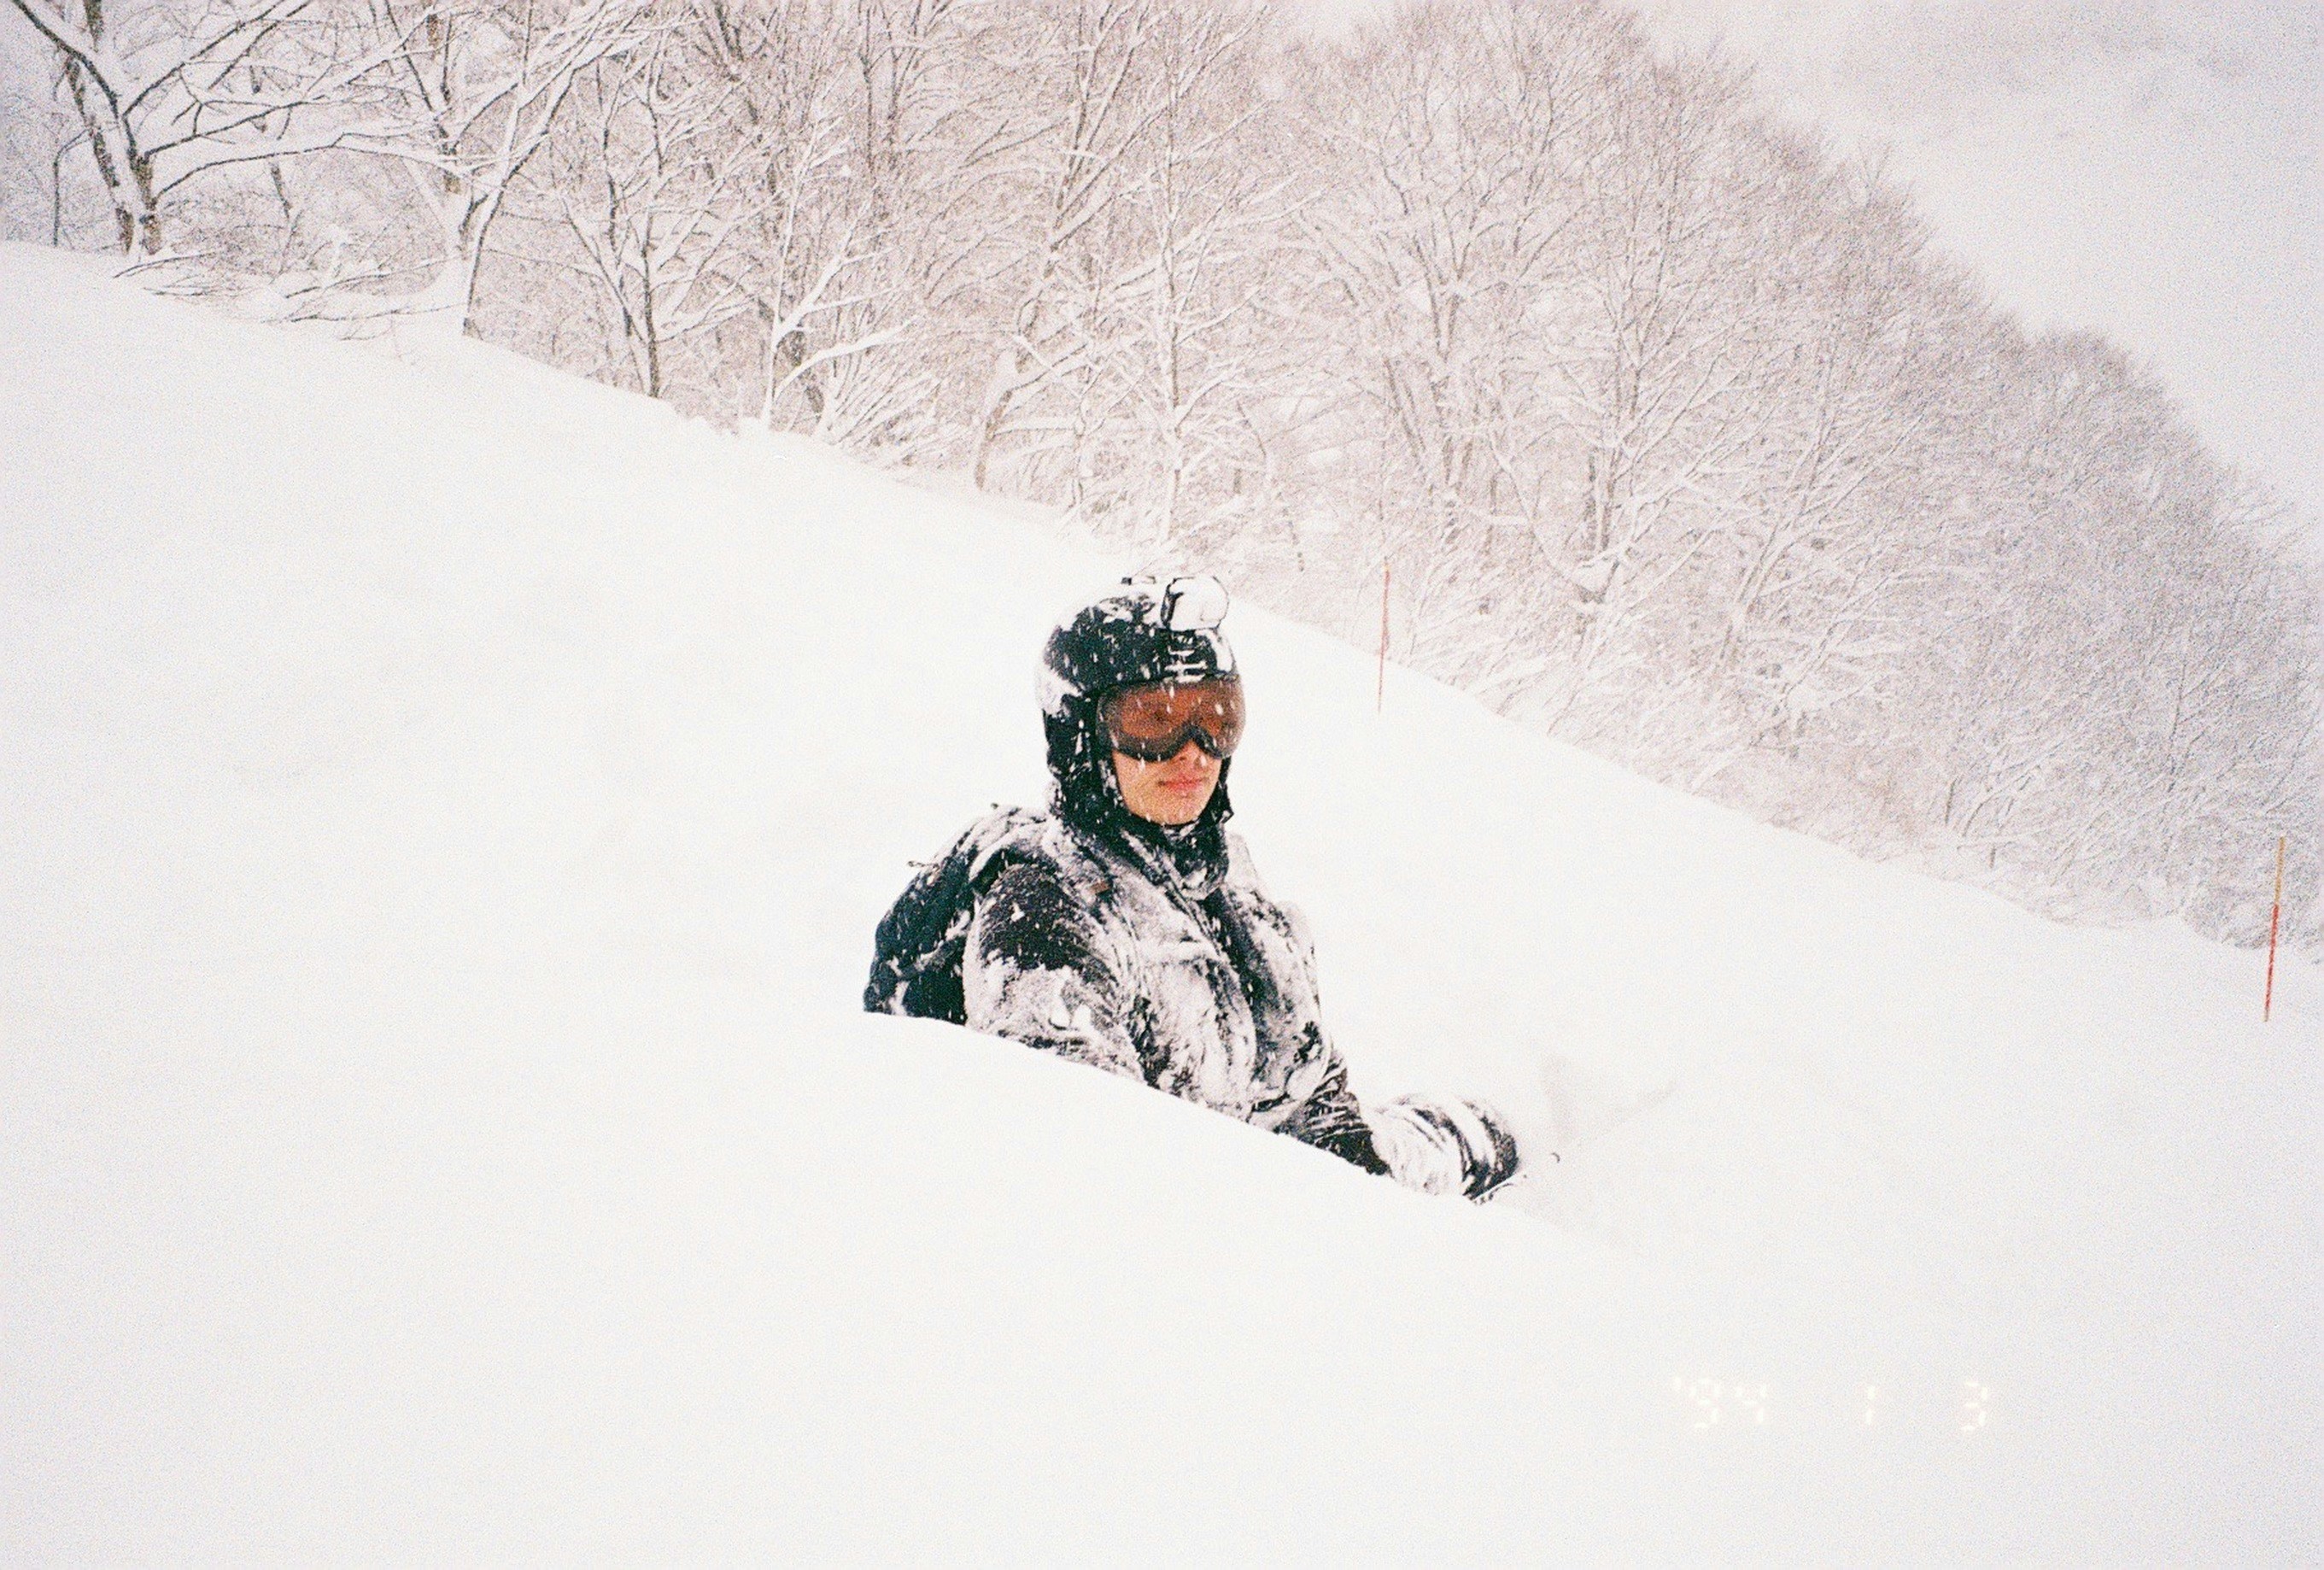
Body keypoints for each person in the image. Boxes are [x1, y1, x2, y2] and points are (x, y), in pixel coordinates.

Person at [865, 576, 1519, 1199]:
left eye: (1215, 717)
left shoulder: (1217, 876)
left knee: (1488, 1140)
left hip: (1270, 1193)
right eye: (1153, 721)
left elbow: (1304, 1096)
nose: (1194, 752)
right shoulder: (1042, 916)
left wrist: (1386, 1168)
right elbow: (1090, 1165)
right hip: (1175, 1236)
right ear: (1081, 737)